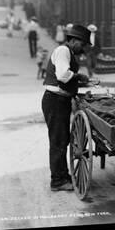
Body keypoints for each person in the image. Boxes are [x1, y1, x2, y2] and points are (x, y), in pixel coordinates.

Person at [41, 24, 91, 192]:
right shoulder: (63, 51)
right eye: (82, 45)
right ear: (74, 40)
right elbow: (63, 75)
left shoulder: (67, 52)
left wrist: (78, 79)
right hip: (55, 100)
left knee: (61, 140)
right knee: (58, 141)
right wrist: (79, 76)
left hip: (60, 100)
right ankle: (57, 181)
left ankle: (62, 175)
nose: (82, 49)